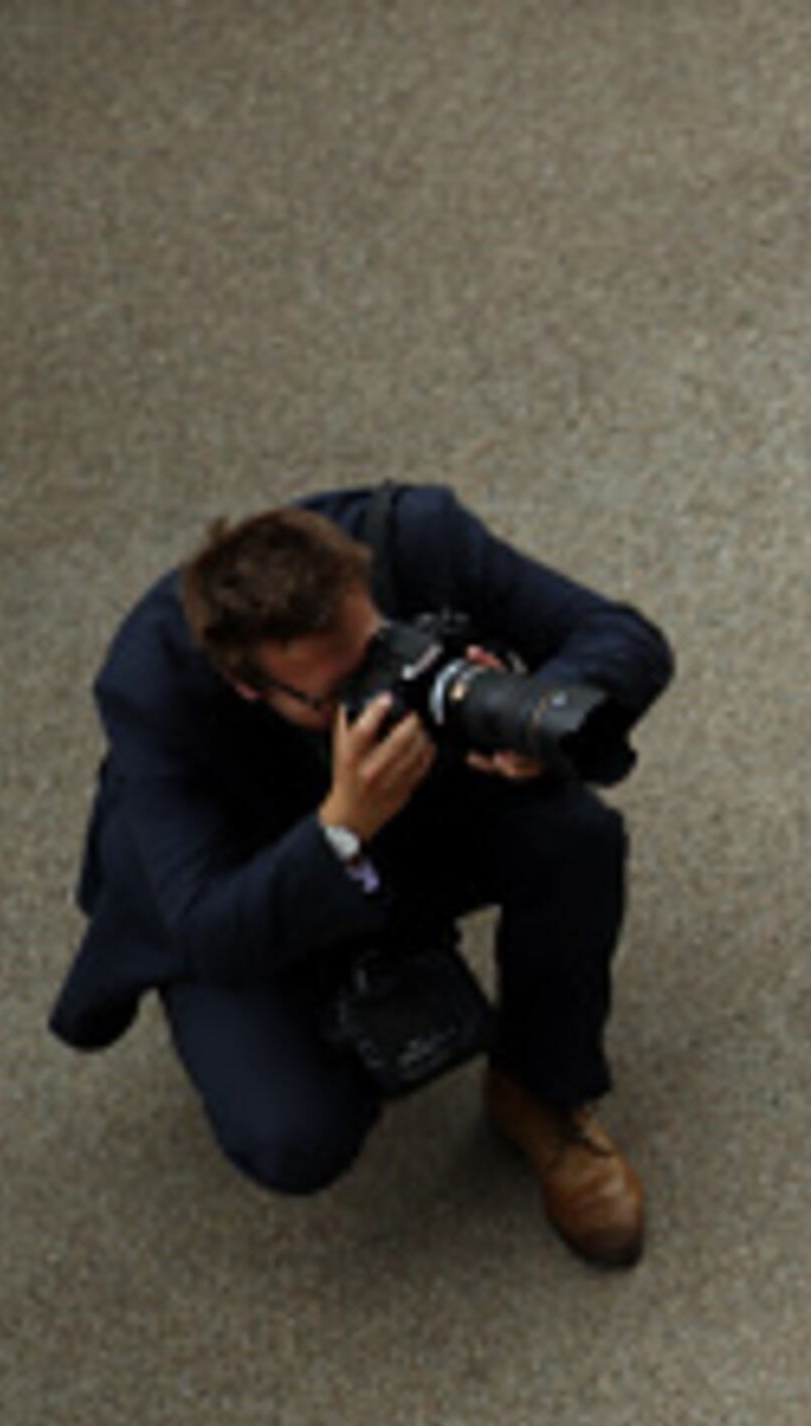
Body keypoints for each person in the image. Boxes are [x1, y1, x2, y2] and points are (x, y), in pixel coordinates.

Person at [51, 483, 674, 1265]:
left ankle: (541, 1093)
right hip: (249, 880)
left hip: (422, 809)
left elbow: (622, 636)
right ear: (250, 685)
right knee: (294, 1138)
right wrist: (342, 826)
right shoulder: (152, 691)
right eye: (338, 692)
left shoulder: (416, 537)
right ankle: (338, 980)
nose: (378, 684)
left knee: (573, 837)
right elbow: (213, 932)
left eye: (379, 646)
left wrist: (537, 705)